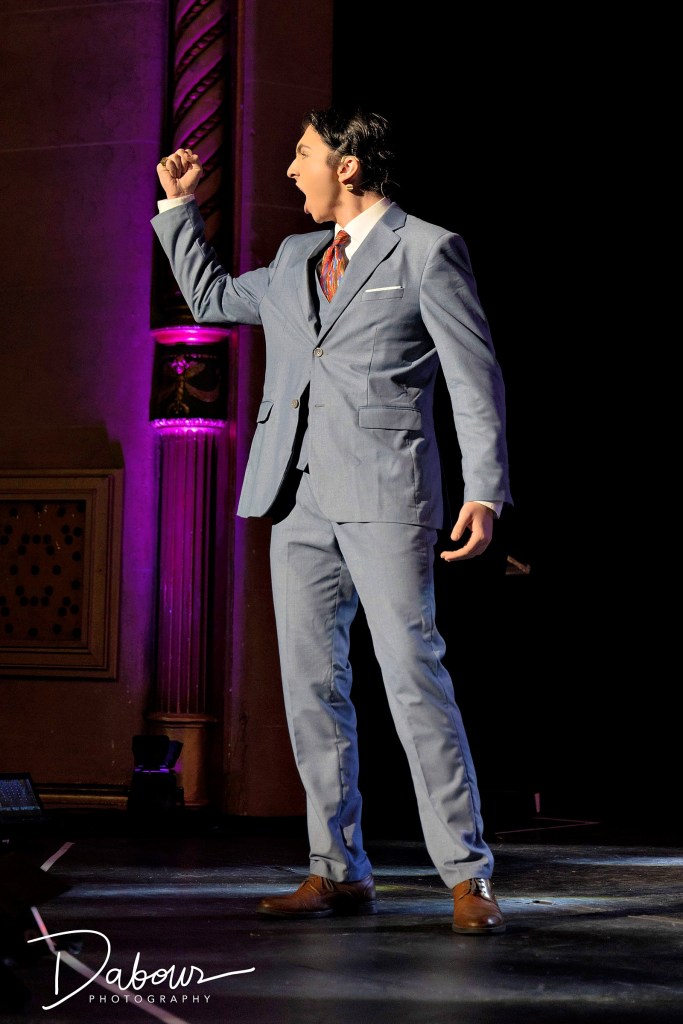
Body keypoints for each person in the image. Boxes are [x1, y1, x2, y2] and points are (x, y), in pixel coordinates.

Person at [152, 107, 512, 934]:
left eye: (302, 154)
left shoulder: (427, 250)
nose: (289, 169)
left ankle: (466, 875)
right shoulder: (292, 257)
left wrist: (483, 491)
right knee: (312, 686)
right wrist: (178, 209)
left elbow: (472, 381)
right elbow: (208, 297)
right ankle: (335, 868)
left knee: (412, 679)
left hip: (388, 496)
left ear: (348, 166)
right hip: (297, 497)